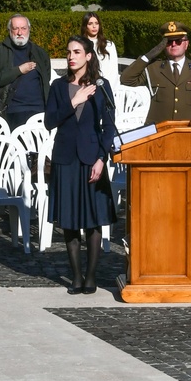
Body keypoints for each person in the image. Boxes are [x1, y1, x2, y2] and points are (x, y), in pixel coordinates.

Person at [45, 36, 117, 295]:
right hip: (65, 158)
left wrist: (101, 158)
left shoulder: (101, 85)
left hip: (91, 158)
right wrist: (74, 101)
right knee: (69, 220)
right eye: (68, 52)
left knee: (93, 220)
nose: (71, 56)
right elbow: (49, 121)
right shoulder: (58, 86)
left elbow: (109, 127)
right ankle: (75, 277)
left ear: (88, 56)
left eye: (77, 52)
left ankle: (91, 276)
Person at [120, 21, 191, 143]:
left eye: (178, 41)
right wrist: (148, 56)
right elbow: (126, 79)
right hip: (157, 136)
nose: (173, 44)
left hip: (187, 137)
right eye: (169, 42)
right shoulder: (153, 68)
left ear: (186, 44)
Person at [0, 14, 51, 129]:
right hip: (12, 111)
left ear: (29, 30)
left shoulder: (40, 53)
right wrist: (19, 70)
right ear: (10, 30)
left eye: (23, 28)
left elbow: (46, 79)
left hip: (39, 111)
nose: (20, 33)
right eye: (16, 28)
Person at [81, 11, 118, 85]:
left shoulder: (109, 45)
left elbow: (114, 70)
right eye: (90, 24)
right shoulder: (80, 45)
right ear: (85, 26)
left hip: (107, 86)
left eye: (96, 23)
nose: (94, 26)